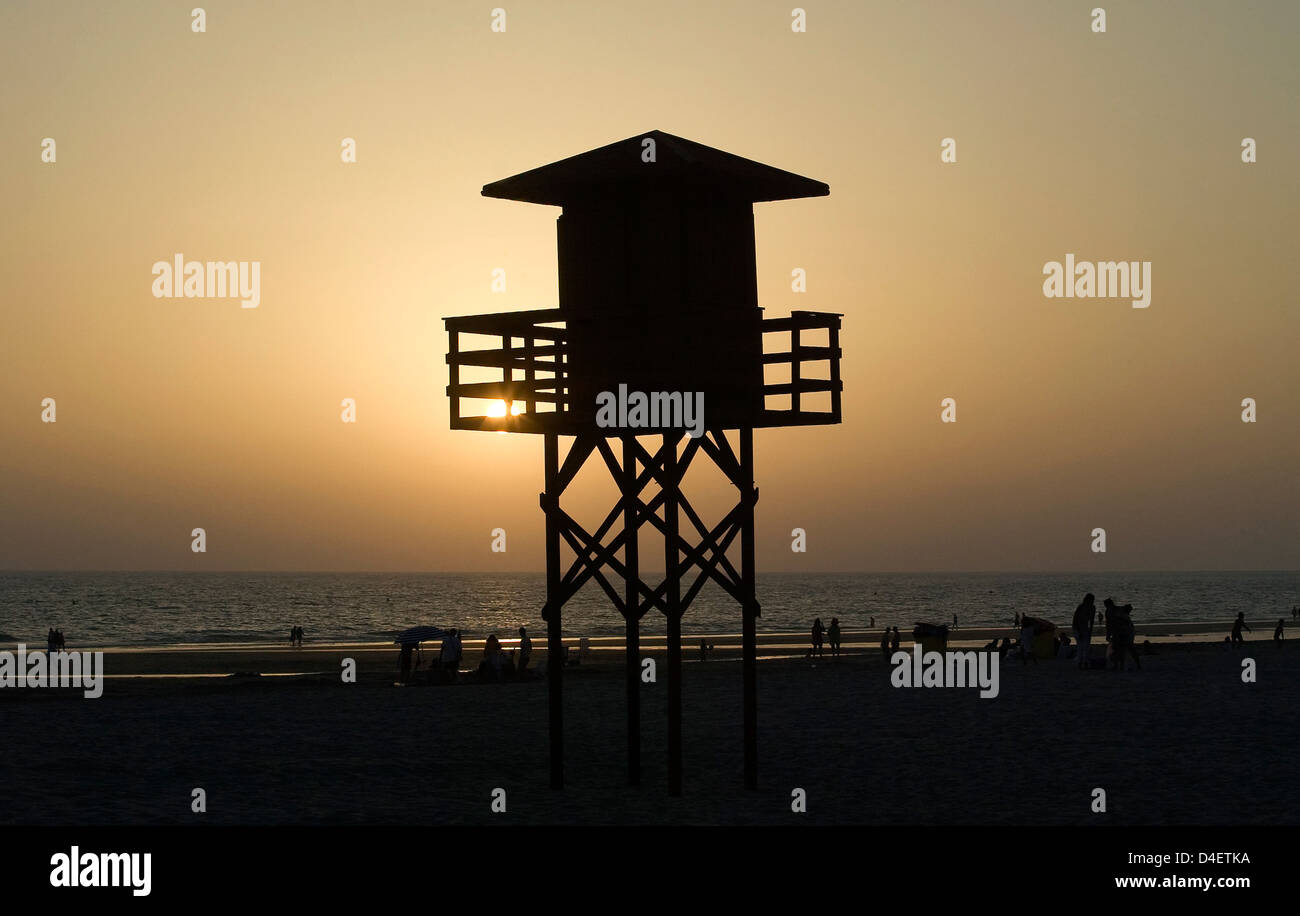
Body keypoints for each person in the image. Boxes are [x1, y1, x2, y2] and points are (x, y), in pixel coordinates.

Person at [1073, 593, 1095, 670]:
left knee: (1086, 647)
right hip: (1078, 629)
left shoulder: (1092, 608)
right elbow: (1075, 620)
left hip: (1085, 629)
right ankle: (1080, 663)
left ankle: (1084, 663)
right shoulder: (1081, 607)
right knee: (1080, 647)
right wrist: (1078, 631)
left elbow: (1091, 620)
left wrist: (1090, 631)